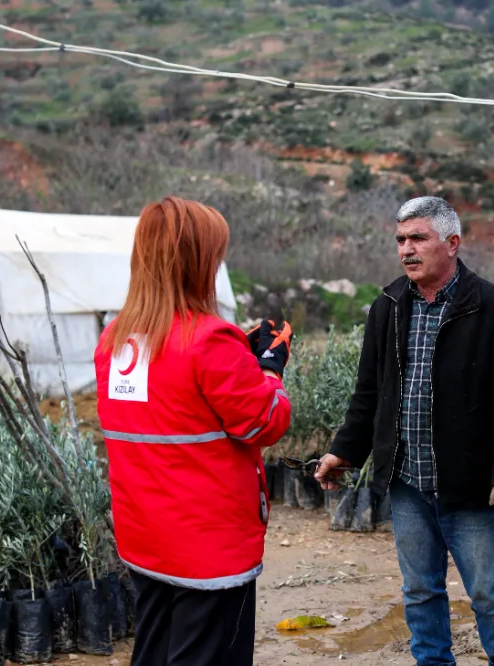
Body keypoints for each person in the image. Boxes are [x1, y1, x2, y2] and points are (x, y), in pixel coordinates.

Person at [314, 196, 494, 666]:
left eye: (418, 238)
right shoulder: (389, 305)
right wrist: (343, 452)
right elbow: (368, 393)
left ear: (452, 243)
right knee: (419, 592)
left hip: (471, 485)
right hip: (407, 483)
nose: (406, 250)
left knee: (488, 595)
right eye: (400, 240)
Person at [93, 196, 293, 666]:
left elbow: (177, 400)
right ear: (195, 262)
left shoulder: (117, 338)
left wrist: (237, 358)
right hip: (209, 547)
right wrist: (269, 368)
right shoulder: (208, 339)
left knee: (156, 651)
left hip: (148, 536)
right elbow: (265, 422)